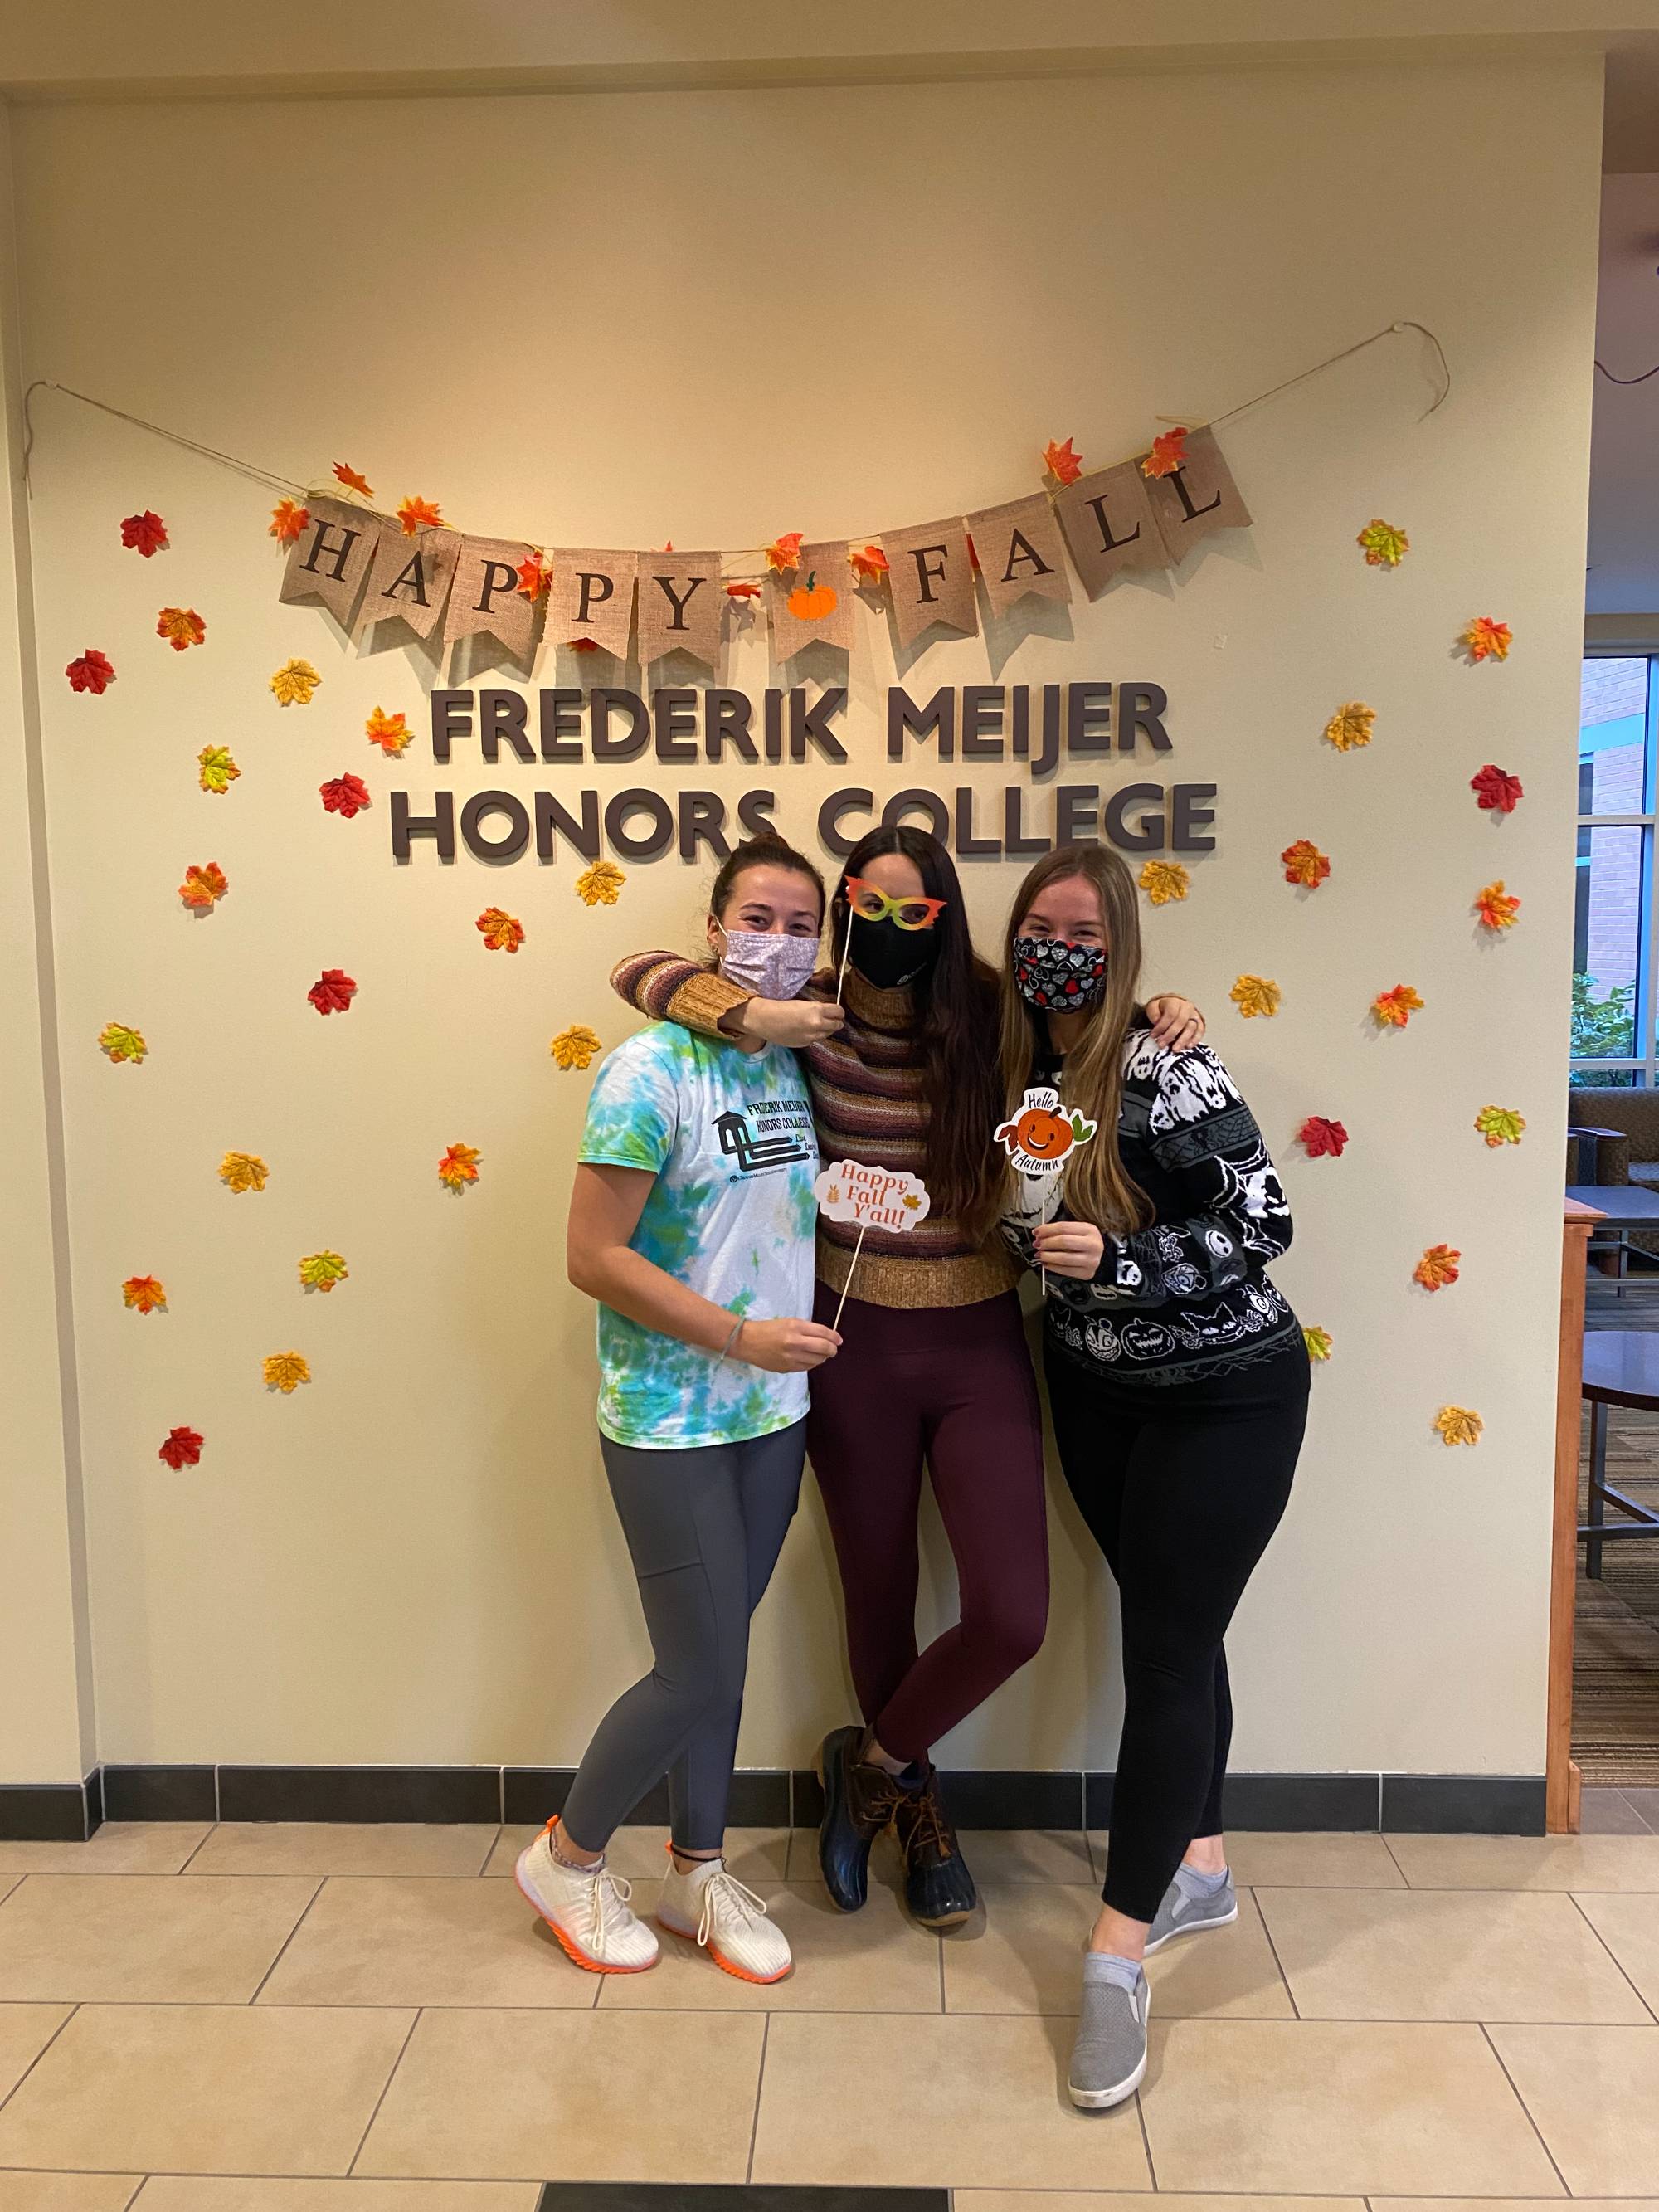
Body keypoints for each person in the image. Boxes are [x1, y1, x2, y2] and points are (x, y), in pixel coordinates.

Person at [611, 826, 1205, 1932]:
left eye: (915, 912)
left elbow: (1089, 1022)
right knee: (876, 1588)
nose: (890, 929)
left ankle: (874, 1764)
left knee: (1011, 1612)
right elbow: (640, 972)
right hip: (852, 1345)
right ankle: (923, 1804)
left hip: (980, 1338)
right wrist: (754, 1016)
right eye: (868, 908)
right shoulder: (806, 1009)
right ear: (844, 908)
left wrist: (1160, 1010)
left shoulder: (991, 1012)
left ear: (946, 918)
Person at [992, 842, 1307, 2111]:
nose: (1059, 950)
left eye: (1085, 932)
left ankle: (1117, 1956)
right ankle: (1202, 1866)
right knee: (1180, 1627)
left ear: (1122, 947)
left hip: (1227, 1395)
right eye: (1041, 927)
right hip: (1095, 1392)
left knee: (1166, 1656)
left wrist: (1121, 1263)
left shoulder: (1167, 1065)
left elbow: (1265, 1221)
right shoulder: (1019, 1070)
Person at [515, 832, 839, 1983]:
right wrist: (739, 1336)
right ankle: (566, 1856)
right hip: (670, 1417)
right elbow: (592, 1256)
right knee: (694, 1669)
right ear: (714, 930)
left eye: (802, 926)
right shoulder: (646, 1072)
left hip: (774, 1413)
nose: (778, 943)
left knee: (724, 1655)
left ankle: (697, 1869)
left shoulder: (796, 1061)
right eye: (758, 918)